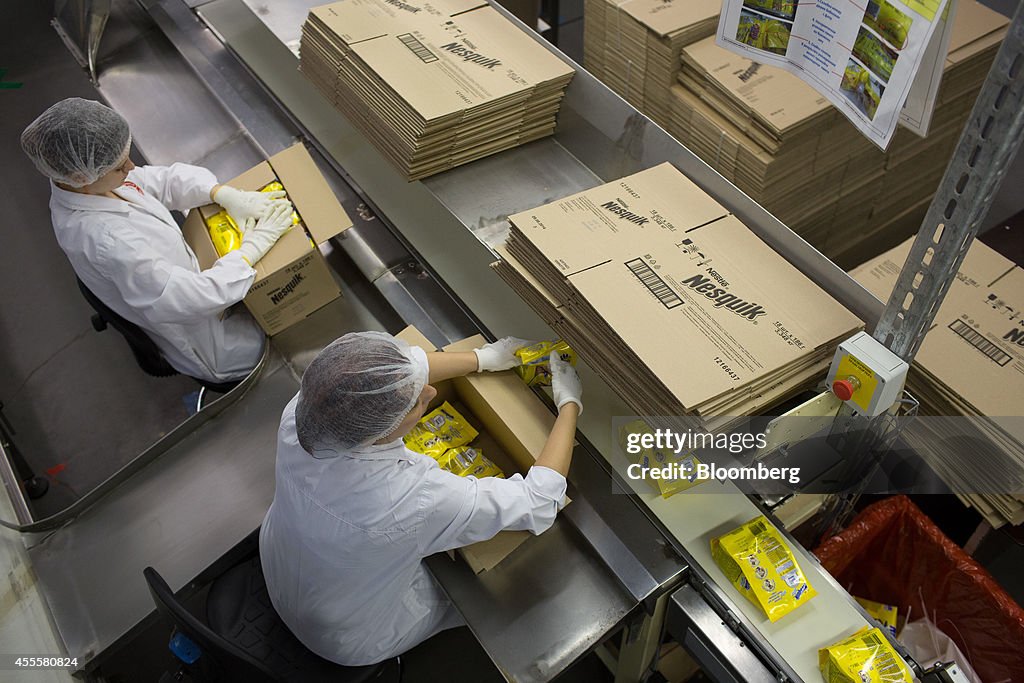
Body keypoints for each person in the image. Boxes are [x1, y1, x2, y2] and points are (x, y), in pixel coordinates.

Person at [259, 332, 583, 666]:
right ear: (382, 430)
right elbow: (540, 500)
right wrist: (569, 405)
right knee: (473, 587)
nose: (429, 391)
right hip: (347, 634)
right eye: (416, 403)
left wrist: (483, 358)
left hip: (281, 565)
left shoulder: (304, 415)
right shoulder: (408, 499)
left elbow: (387, 376)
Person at [20, 97, 294, 384]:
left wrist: (220, 193)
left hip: (210, 287)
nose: (130, 166)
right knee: (294, 321)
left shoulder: (90, 182)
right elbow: (188, 298)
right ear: (80, 176)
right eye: (118, 166)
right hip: (214, 341)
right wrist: (250, 250)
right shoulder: (104, 240)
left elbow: (161, 181)